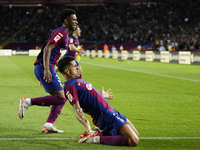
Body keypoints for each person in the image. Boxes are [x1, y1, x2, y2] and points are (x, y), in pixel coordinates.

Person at [18, 9, 78, 133]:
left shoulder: (65, 34)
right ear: (66, 21)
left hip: (46, 67)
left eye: (76, 20)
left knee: (61, 97)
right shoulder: (61, 32)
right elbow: (47, 49)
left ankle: (48, 125)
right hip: (43, 67)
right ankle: (27, 101)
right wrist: (47, 69)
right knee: (62, 98)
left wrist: (58, 68)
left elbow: (54, 54)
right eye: (73, 20)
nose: (76, 22)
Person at [57, 56, 139, 146]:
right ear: (67, 71)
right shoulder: (69, 87)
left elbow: (86, 95)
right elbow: (77, 109)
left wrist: (100, 96)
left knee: (136, 135)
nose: (77, 68)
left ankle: (100, 133)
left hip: (111, 111)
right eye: (74, 66)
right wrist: (87, 126)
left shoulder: (76, 80)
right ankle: (94, 138)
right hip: (105, 115)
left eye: (77, 65)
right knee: (133, 141)